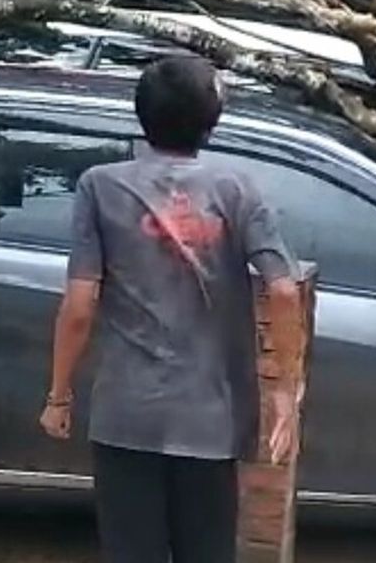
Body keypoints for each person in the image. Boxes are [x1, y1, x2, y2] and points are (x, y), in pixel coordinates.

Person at [38, 57, 303, 563]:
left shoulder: (99, 185)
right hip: (213, 420)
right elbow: (285, 291)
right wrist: (285, 393)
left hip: (126, 417)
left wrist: (59, 395)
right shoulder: (237, 189)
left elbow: (79, 304)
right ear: (211, 122)